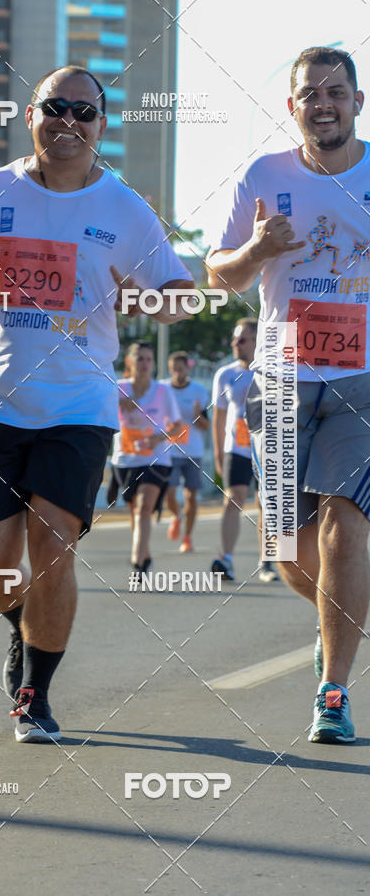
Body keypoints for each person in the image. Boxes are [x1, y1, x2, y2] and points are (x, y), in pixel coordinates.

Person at [0, 65, 194, 743]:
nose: (68, 122)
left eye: (83, 113)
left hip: (79, 408)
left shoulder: (123, 207)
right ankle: (25, 627)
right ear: (31, 114)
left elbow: (180, 296)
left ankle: (35, 693)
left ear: (101, 127)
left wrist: (144, 297)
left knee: (54, 544)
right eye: (55, 107)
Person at [206, 46, 370, 743]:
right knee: (287, 552)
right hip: (280, 378)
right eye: (310, 93)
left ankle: (332, 690)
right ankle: (340, 615)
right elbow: (221, 274)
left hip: (362, 380)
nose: (323, 103)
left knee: (345, 526)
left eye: (336, 92)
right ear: (292, 106)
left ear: (358, 102)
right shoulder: (262, 176)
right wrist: (259, 251)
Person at [210, 319, 277, 583]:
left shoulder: (272, 370)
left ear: (257, 341)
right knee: (233, 498)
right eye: (234, 339)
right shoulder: (225, 374)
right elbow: (218, 417)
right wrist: (218, 453)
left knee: (266, 503)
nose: (235, 344)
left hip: (268, 447)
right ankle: (226, 559)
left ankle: (268, 561)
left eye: (242, 340)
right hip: (235, 448)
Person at [111, 341, 182, 579]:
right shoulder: (118, 388)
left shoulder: (163, 391)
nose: (144, 363)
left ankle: (137, 563)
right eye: (139, 358)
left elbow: (179, 425)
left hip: (157, 459)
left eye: (148, 359)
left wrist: (158, 438)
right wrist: (118, 403)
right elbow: (97, 410)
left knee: (143, 508)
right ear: (130, 362)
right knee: (134, 511)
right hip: (125, 460)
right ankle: (146, 555)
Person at [162, 351, 210, 553]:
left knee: (191, 496)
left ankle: (188, 537)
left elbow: (205, 426)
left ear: (187, 369)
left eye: (180, 369)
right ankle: (176, 516)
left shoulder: (199, 391)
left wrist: (198, 415)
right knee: (168, 492)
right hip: (169, 450)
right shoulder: (162, 389)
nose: (177, 373)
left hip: (193, 451)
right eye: (173, 369)